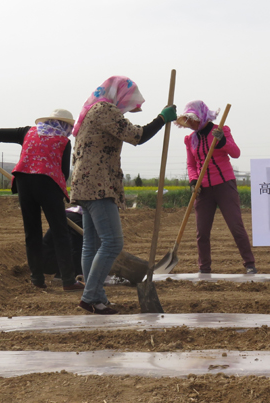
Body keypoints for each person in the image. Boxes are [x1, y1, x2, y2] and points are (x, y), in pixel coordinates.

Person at [71, 76, 177, 315]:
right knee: (112, 242)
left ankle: (96, 297)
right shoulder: (104, 110)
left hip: (85, 186)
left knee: (93, 244)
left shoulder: (90, 111)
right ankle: (90, 298)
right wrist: (162, 119)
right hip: (99, 186)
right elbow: (136, 135)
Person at [0, 109, 84, 292]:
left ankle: (37, 279)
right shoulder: (64, 141)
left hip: (24, 182)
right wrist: (57, 194)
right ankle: (68, 280)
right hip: (48, 184)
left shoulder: (28, 131)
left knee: (32, 232)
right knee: (60, 232)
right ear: (65, 125)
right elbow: (64, 172)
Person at [176, 100, 256, 274]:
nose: (190, 125)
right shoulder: (190, 139)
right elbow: (191, 164)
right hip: (203, 189)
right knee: (202, 232)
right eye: (187, 122)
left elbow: (236, 153)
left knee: (236, 226)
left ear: (201, 117)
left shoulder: (220, 131)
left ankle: (249, 264)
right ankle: (204, 268)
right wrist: (193, 180)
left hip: (224, 185)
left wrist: (223, 142)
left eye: (192, 120)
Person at [42, 205, 84, 278]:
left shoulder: (72, 214)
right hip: (47, 262)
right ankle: (70, 275)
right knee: (80, 247)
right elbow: (77, 250)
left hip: (41, 260)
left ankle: (63, 274)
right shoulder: (78, 220)